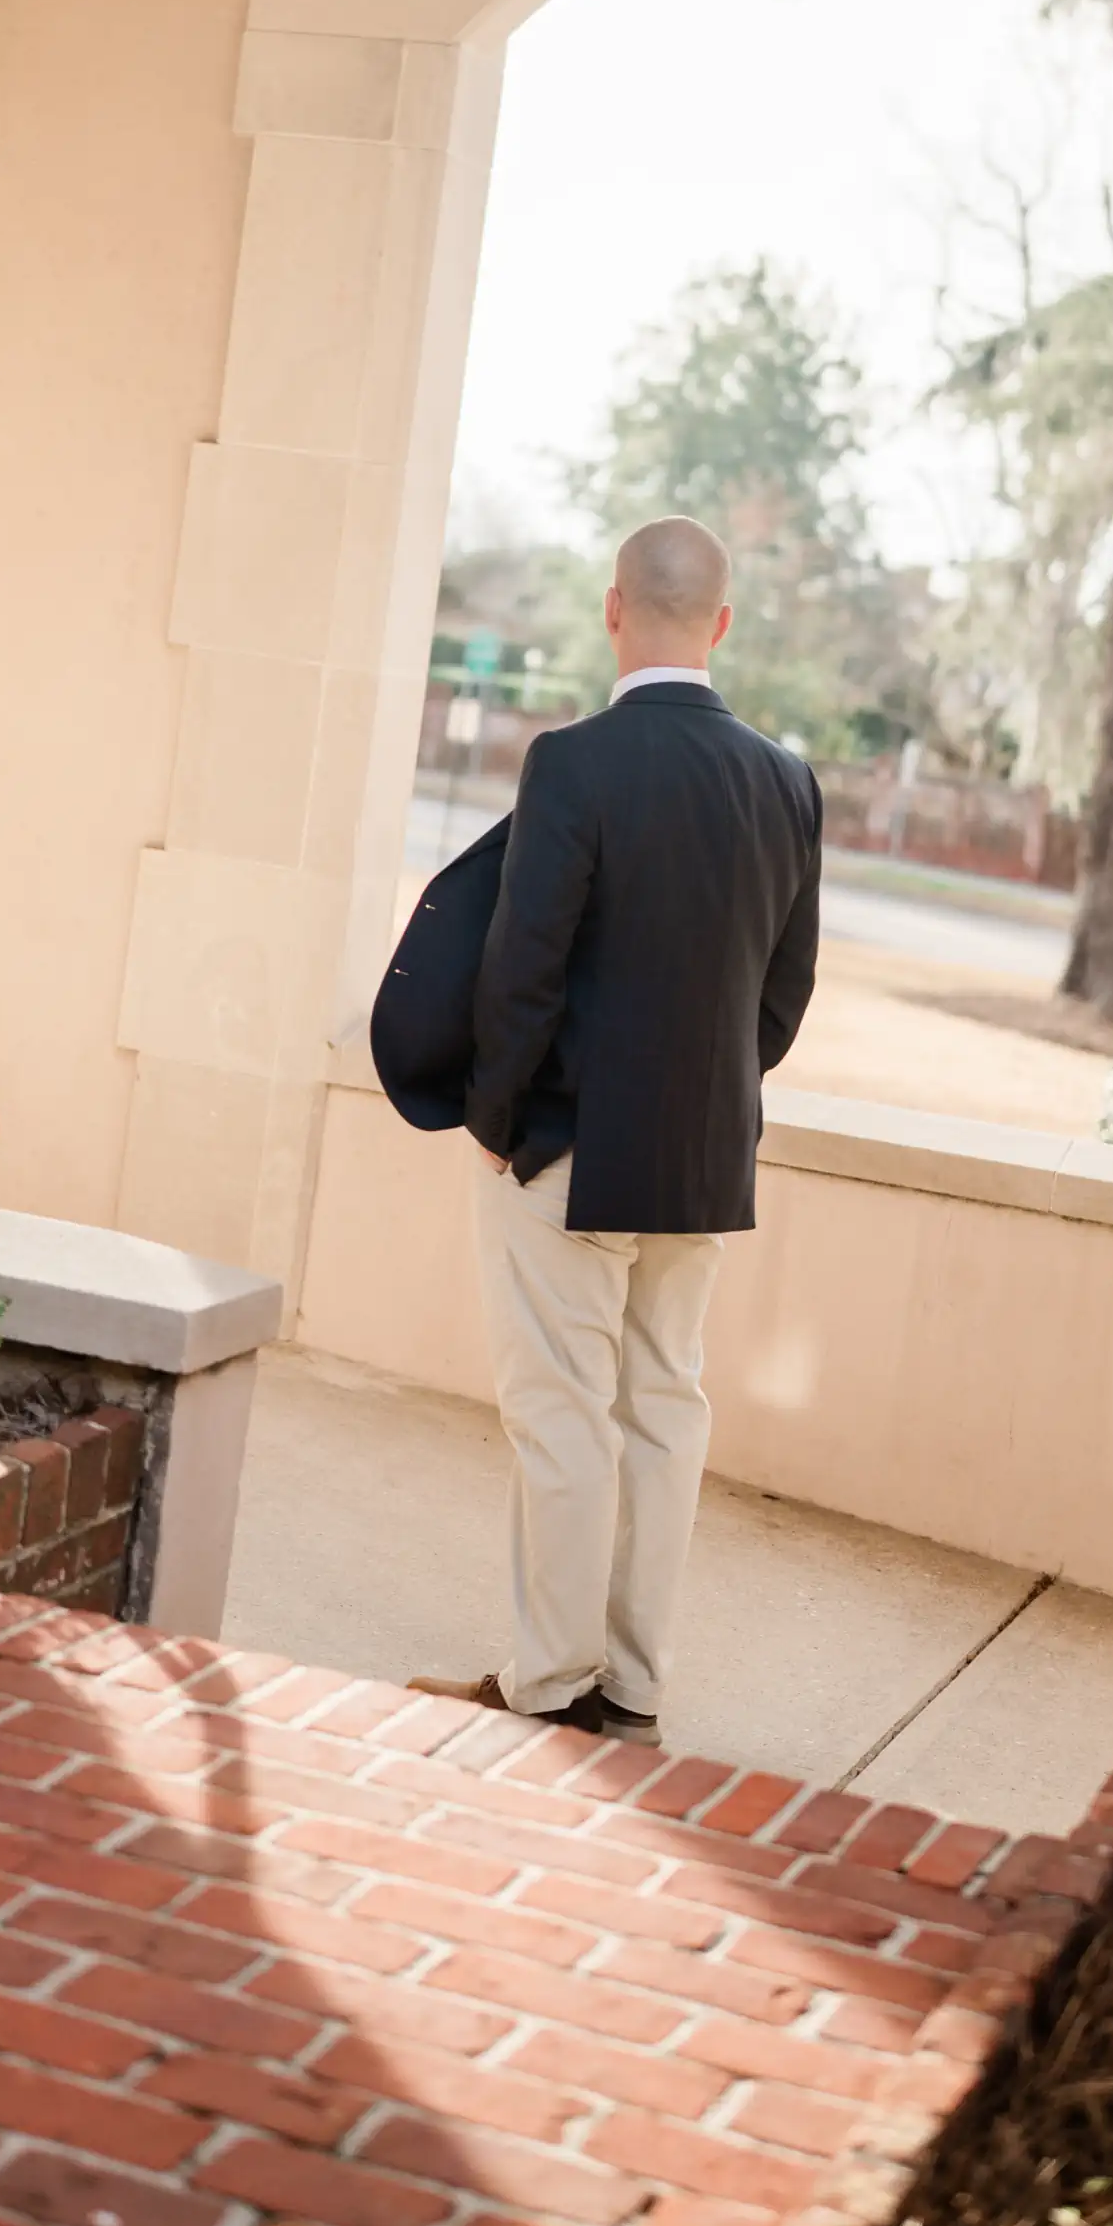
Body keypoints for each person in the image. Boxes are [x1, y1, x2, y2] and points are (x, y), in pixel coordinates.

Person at [413, 514, 820, 1741]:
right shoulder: (786, 781)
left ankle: (551, 1690)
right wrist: (703, 1105)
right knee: (662, 1415)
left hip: (562, 1156)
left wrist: (493, 1120)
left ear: (611, 610)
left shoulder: (572, 762)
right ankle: (632, 1691)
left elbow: (521, 974)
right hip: (701, 1166)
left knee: (561, 1418)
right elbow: (782, 997)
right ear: (722, 624)